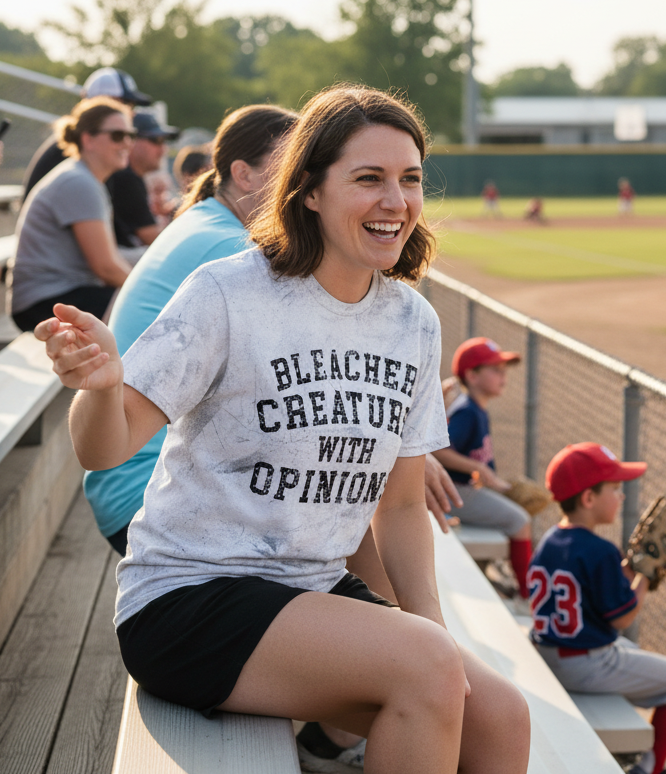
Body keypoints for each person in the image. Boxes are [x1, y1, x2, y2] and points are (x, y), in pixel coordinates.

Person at [37, 85, 529, 774]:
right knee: (426, 672)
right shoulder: (228, 291)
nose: (396, 201)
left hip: (313, 587)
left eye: (410, 179)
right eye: (368, 179)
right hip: (189, 596)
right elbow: (105, 446)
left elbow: (401, 504)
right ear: (308, 192)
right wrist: (100, 386)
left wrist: (430, 629)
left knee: (502, 720)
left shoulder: (412, 323)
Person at [84, 103, 298, 555]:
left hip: (130, 476)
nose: (305, 184)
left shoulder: (207, 222)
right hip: (146, 492)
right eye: (294, 168)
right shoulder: (228, 247)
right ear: (244, 175)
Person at [529, 442, 666, 774]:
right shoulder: (601, 549)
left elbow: (592, 588)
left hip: (547, 651)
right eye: (615, 489)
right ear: (588, 498)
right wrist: (645, 573)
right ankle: (650, 766)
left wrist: (631, 566)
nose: (621, 496)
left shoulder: (551, 538)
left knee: (635, 653)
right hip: (586, 664)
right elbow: (623, 616)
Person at [10, 97, 134, 331]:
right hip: (45, 302)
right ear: (88, 139)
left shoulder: (83, 178)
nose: (128, 143)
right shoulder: (78, 182)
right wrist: (152, 290)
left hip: (55, 295)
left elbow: (111, 260)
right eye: (118, 135)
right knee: (145, 309)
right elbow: (106, 268)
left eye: (131, 135)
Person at [432, 337, 533, 605]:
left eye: (504, 370)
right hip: (453, 493)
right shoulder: (468, 412)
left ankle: (497, 581)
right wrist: (477, 467)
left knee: (511, 513)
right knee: (519, 521)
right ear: (472, 375)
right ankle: (527, 595)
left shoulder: (474, 408)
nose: (503, 376)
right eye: (495, 370)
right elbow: (437, 451)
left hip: (462, 490)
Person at [22, 68, 151, 201]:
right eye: (127, 104)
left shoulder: (79, 145)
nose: (132, 113)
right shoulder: (82, 156)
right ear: (103, 104)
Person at [106, 111, 180, 261]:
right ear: (131, 141)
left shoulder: (130, 176)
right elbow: (153, 239)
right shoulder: (125, 176)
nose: (162, 150)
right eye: (155, 141)